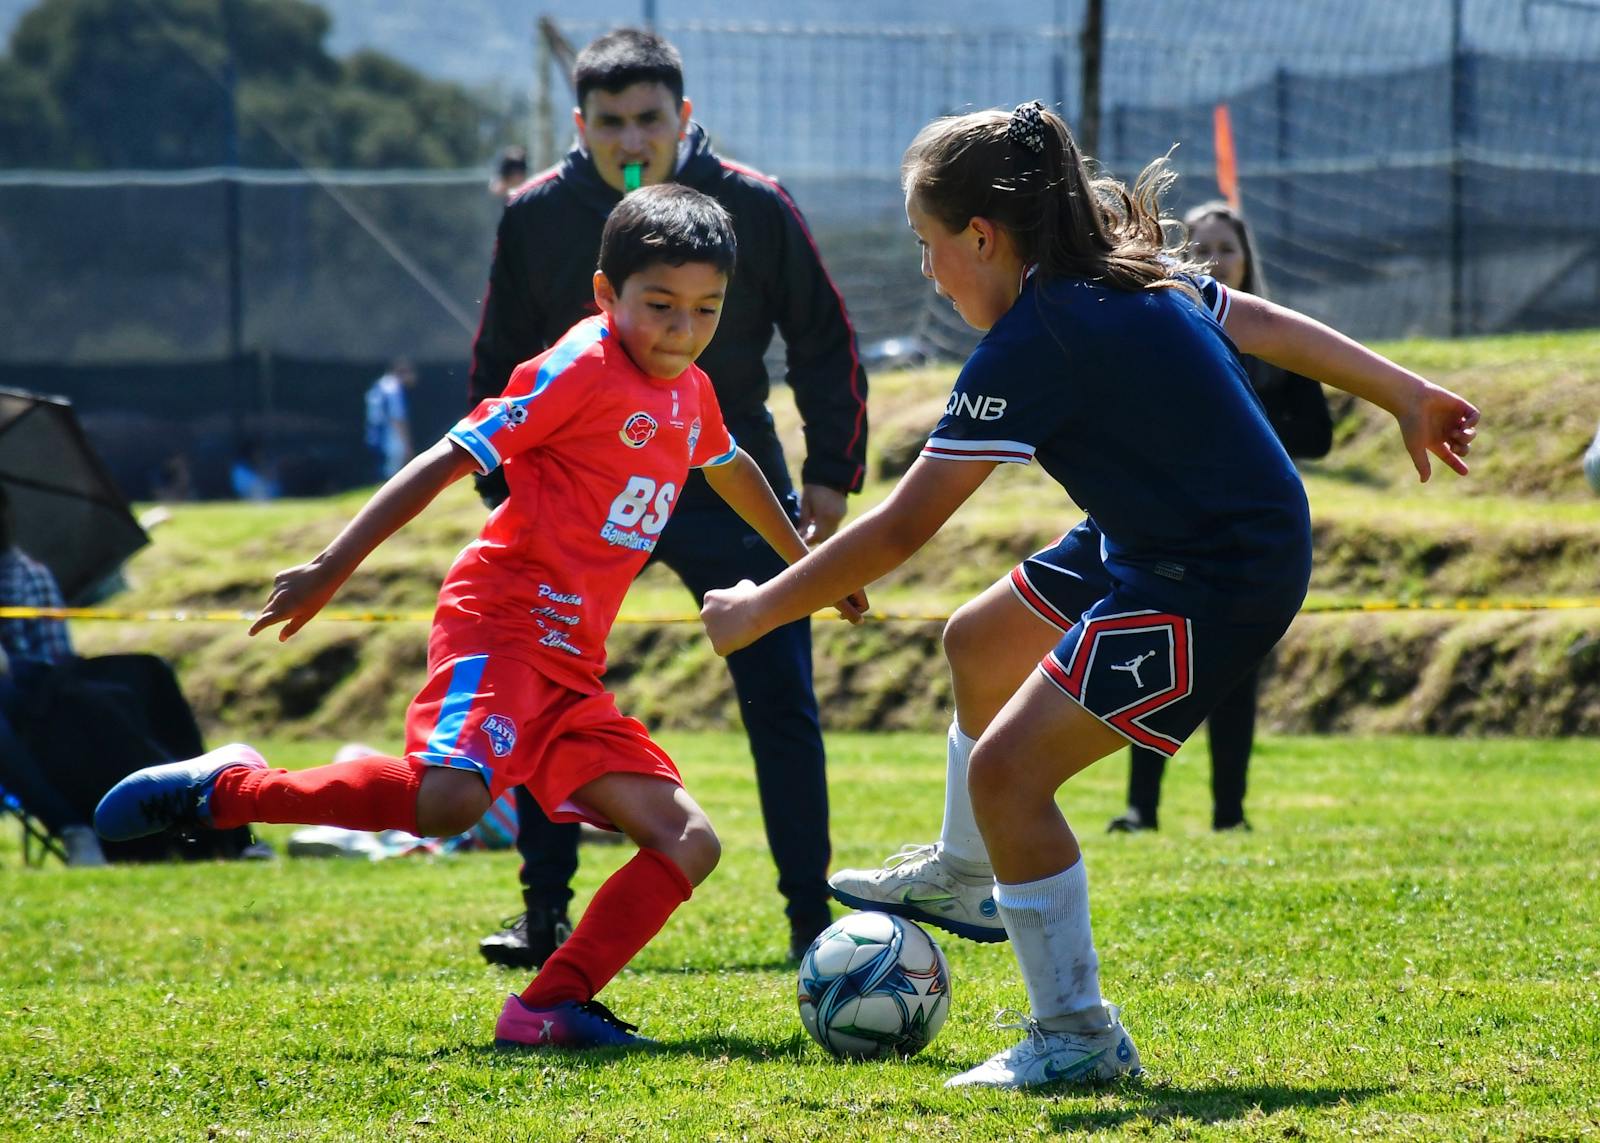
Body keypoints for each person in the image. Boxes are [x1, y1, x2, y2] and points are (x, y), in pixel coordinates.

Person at [700, 101, 1478, 1089]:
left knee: (1012, 775)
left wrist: (759, 607)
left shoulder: (1041, 335)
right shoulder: (1117, 277)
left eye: (925, 245)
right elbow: (1264, 321)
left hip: (1218, 571)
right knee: (978, 643)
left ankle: (1075, 1037)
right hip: (1158, 534)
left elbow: (901, 527)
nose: (925, 270)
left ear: (981, 236)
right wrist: (1403, 391)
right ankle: (973, 874)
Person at [95, 186, 864, 1049]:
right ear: (607, 294)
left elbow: (731, 468)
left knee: (687, 839)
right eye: (660, 306)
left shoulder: (691, 392)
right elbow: (444, 458)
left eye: (706, 310)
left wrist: (809, 569)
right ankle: (228, 790)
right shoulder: (578, 367)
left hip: (571, 668)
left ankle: (546, 1008)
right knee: (450, 801)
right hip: (499, 624)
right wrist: (329, 568)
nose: (681, 329)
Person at [469, 27, 868, 968]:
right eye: (610, 122)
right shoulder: (536, 216)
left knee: (782, 699)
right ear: (581, 125)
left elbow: (824, 339)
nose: (630, 137)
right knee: (546, 687)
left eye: (649, 117)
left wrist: (826, 477)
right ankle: (542, 910)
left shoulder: (757, 205)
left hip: (732, 485)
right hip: (582, 494)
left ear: (683, 117)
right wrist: (512, 495)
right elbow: (495, 366)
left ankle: (812, 918)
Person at [1107, 201, 1333, 834]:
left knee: (1234, 675)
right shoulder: (1161, 330)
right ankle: (1139, 810)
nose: (1214, 260)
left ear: (1248, 257)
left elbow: (1317, 434)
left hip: (1250, 537)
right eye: (1199, 247)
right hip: (1169, 530)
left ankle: (1229, 815)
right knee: (1150, 664)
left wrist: (1245, 428)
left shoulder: (1280, 338)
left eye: (1226, 248)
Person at [364, 358, 416, 481]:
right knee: (391, 474)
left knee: (382, 468)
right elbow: (397, 417)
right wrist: (406, 444)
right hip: (390, 436)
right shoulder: (393, 389)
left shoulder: (380, 384)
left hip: (375, 434)